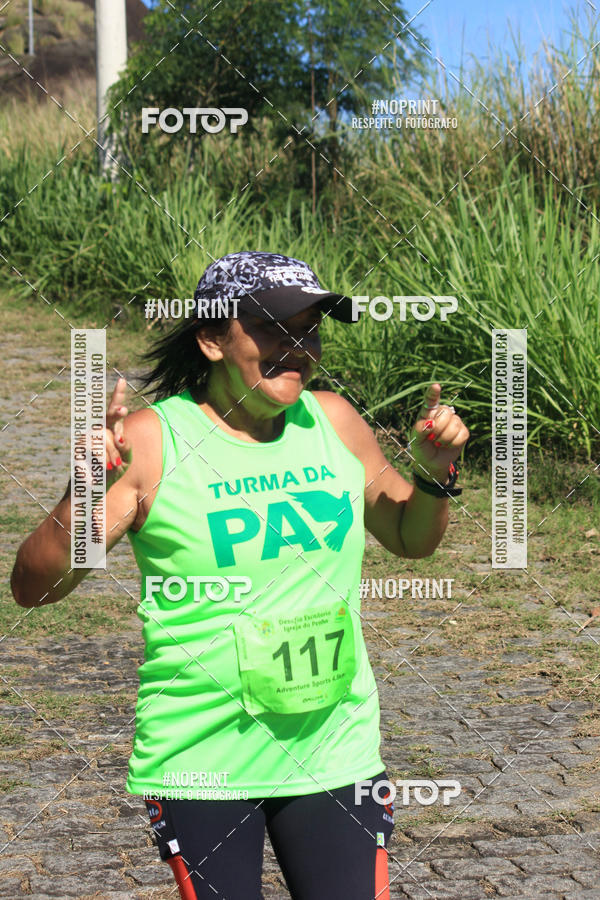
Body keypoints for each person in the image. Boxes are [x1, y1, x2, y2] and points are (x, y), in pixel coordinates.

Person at [11, 251, 469, 900]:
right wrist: (82, 495)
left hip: (333, 748)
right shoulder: (154, 442)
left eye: (309, 329)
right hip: (205, 761)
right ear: (212, 339)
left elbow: (409, 536)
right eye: (273, 330)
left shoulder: (332, 421)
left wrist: (433, 475)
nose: (297, 348)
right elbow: (34, 587)